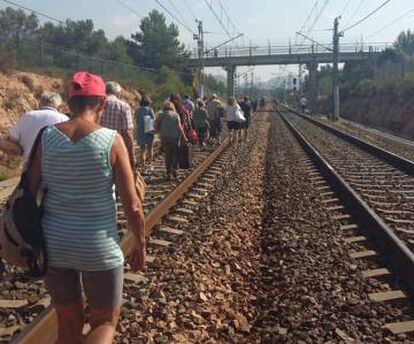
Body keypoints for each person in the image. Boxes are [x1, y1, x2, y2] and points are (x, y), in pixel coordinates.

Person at [28, 72, 146, 344]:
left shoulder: (46, 138)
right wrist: (139, 241)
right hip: (97, 246)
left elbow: (31, 190)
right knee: (104, 322)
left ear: (70, 103)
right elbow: (133, 205)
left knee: (68, 326)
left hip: (55, 244)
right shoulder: (111, 141)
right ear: (102, 103)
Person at [0, 91, 68, 160]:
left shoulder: (28, 116)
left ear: (40, 104)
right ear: (59, 107)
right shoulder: (64, 119)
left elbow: (13, 140)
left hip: (31, 166)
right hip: (56, 166)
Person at [100, 81, 135, 172]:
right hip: (116, 149)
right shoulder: (123, 106)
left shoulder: (97, 104)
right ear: (118, 92)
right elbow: (127, 133)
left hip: (98, 149)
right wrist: (131, 155)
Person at [155, 101, 188, 181]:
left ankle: (168, 173)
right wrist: (184, 137)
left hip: (164, 137)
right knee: (175, 154)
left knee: (167, 155)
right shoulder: (176, 115)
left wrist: (159, 132)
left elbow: (156, 125)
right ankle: (174, 168)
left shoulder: (161, 114)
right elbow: (179, 127)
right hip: (174, 137)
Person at [135, 95, 155, 175]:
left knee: (142, 150)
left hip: (140, 131)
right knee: (150, 148)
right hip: (149, 130)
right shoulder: (150, 110)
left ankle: (143, 167)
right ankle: (150, 165)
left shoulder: (137, 110)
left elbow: (136, 120)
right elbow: (153, 119)